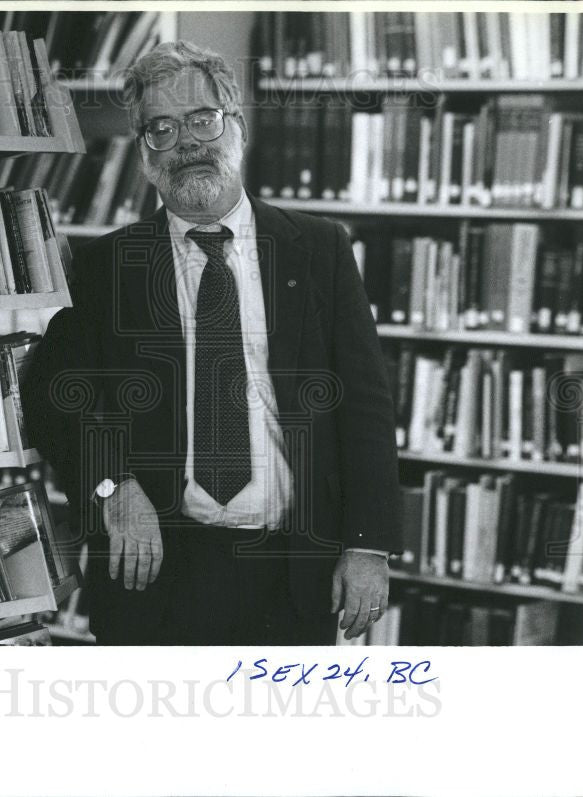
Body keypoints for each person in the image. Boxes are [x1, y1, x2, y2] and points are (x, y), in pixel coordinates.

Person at [25, 40, 402, 645]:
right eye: (163, 129)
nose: (188, 143)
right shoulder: (105, 267)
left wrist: (367, 544)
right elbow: (52, 400)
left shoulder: (320, 249)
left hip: (290, 571)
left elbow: (366, 407)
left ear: (237, 128)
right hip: (156, 578)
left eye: (202, 119)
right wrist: (112, 488)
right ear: (145, 153)